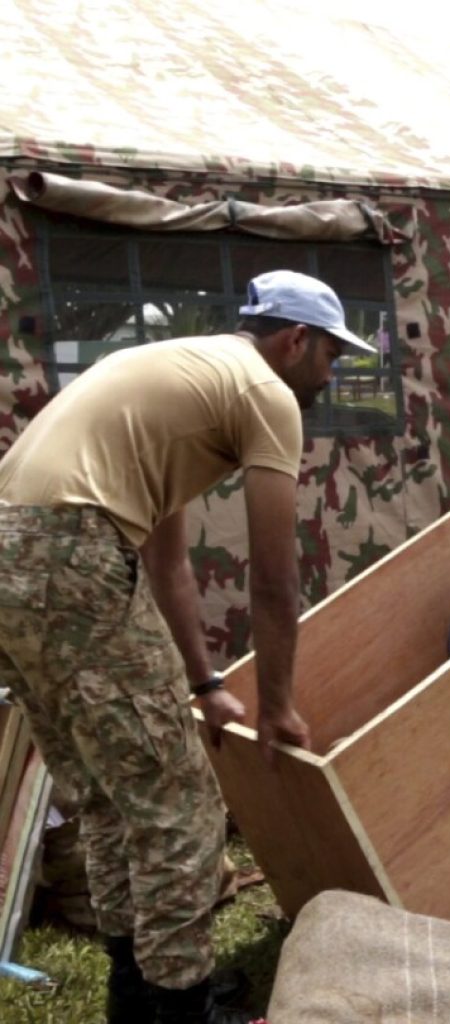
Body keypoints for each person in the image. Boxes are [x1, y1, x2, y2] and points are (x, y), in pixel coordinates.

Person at [0, 269, 376, 1023]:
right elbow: (274, 578)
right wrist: (277, 708)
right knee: (181, 808)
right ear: (294, 339)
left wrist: (204, 686)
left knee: (108, 796)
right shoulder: (265, 393)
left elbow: (167, 563)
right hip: (68, 552)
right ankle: (174, 1009)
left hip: (13, 551)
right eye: (330, 357)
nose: (329, 378)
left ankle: (143, 986)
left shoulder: (178, 370)